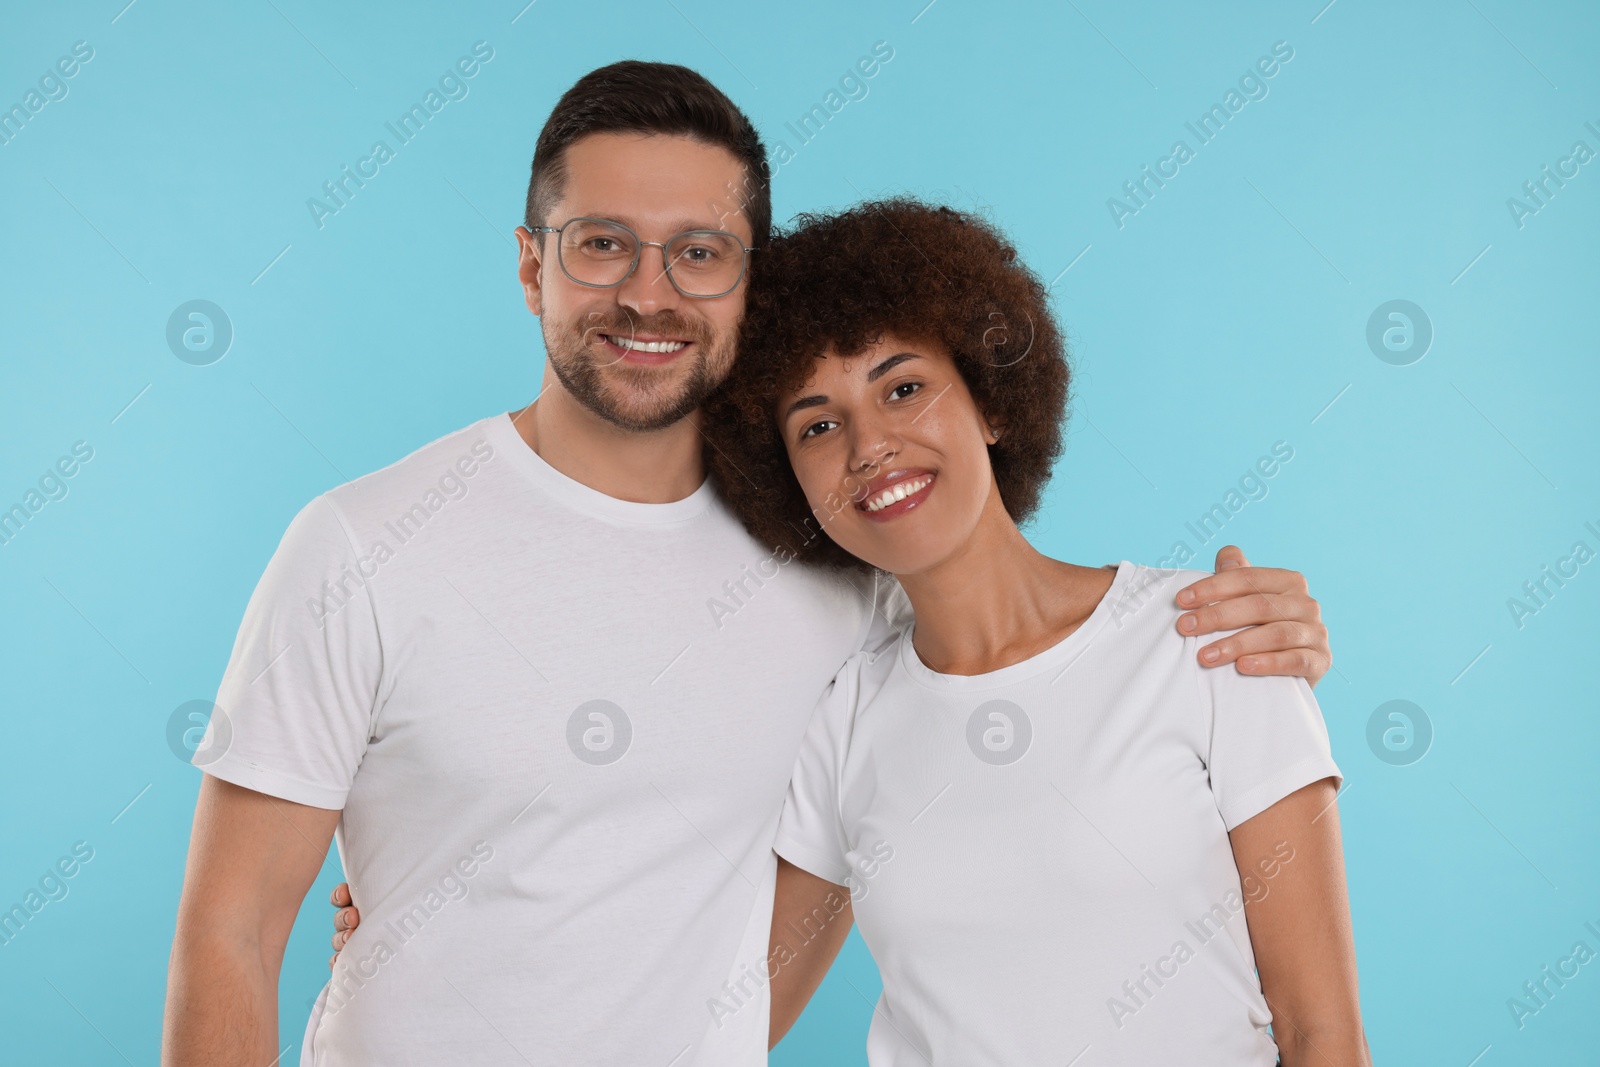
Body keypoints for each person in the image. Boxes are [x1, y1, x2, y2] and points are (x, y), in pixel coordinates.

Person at [167, 63, 1335, 1066]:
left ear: (747, 279)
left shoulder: (845, 573)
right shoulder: (364, 543)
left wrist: (1264, 628)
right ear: (532, 267)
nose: (647, 290)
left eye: (698, 251)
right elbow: (229, 931)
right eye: (601, 244)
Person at [704, 198, 1366, 1064]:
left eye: (903, 388)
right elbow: (720, 1021)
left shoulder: (1212, 640)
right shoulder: (845, 720)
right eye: (819, 425)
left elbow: (1325, 1035)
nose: (869, 445)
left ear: (993, 405)